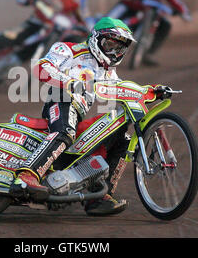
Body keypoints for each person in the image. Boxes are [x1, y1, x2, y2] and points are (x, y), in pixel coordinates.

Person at [10, 17, 137, 216]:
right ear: (96, 38)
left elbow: (123, 91)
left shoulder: (108, 72)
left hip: (78, 113)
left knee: (123, 139)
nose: (113, 51)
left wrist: (150, 92)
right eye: (110, 44)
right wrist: (70, 82)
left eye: (119, 48)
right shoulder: (69, 49)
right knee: (65, 131)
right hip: (60, 99)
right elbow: (41, 68)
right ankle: (26, 175)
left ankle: (99, 197)